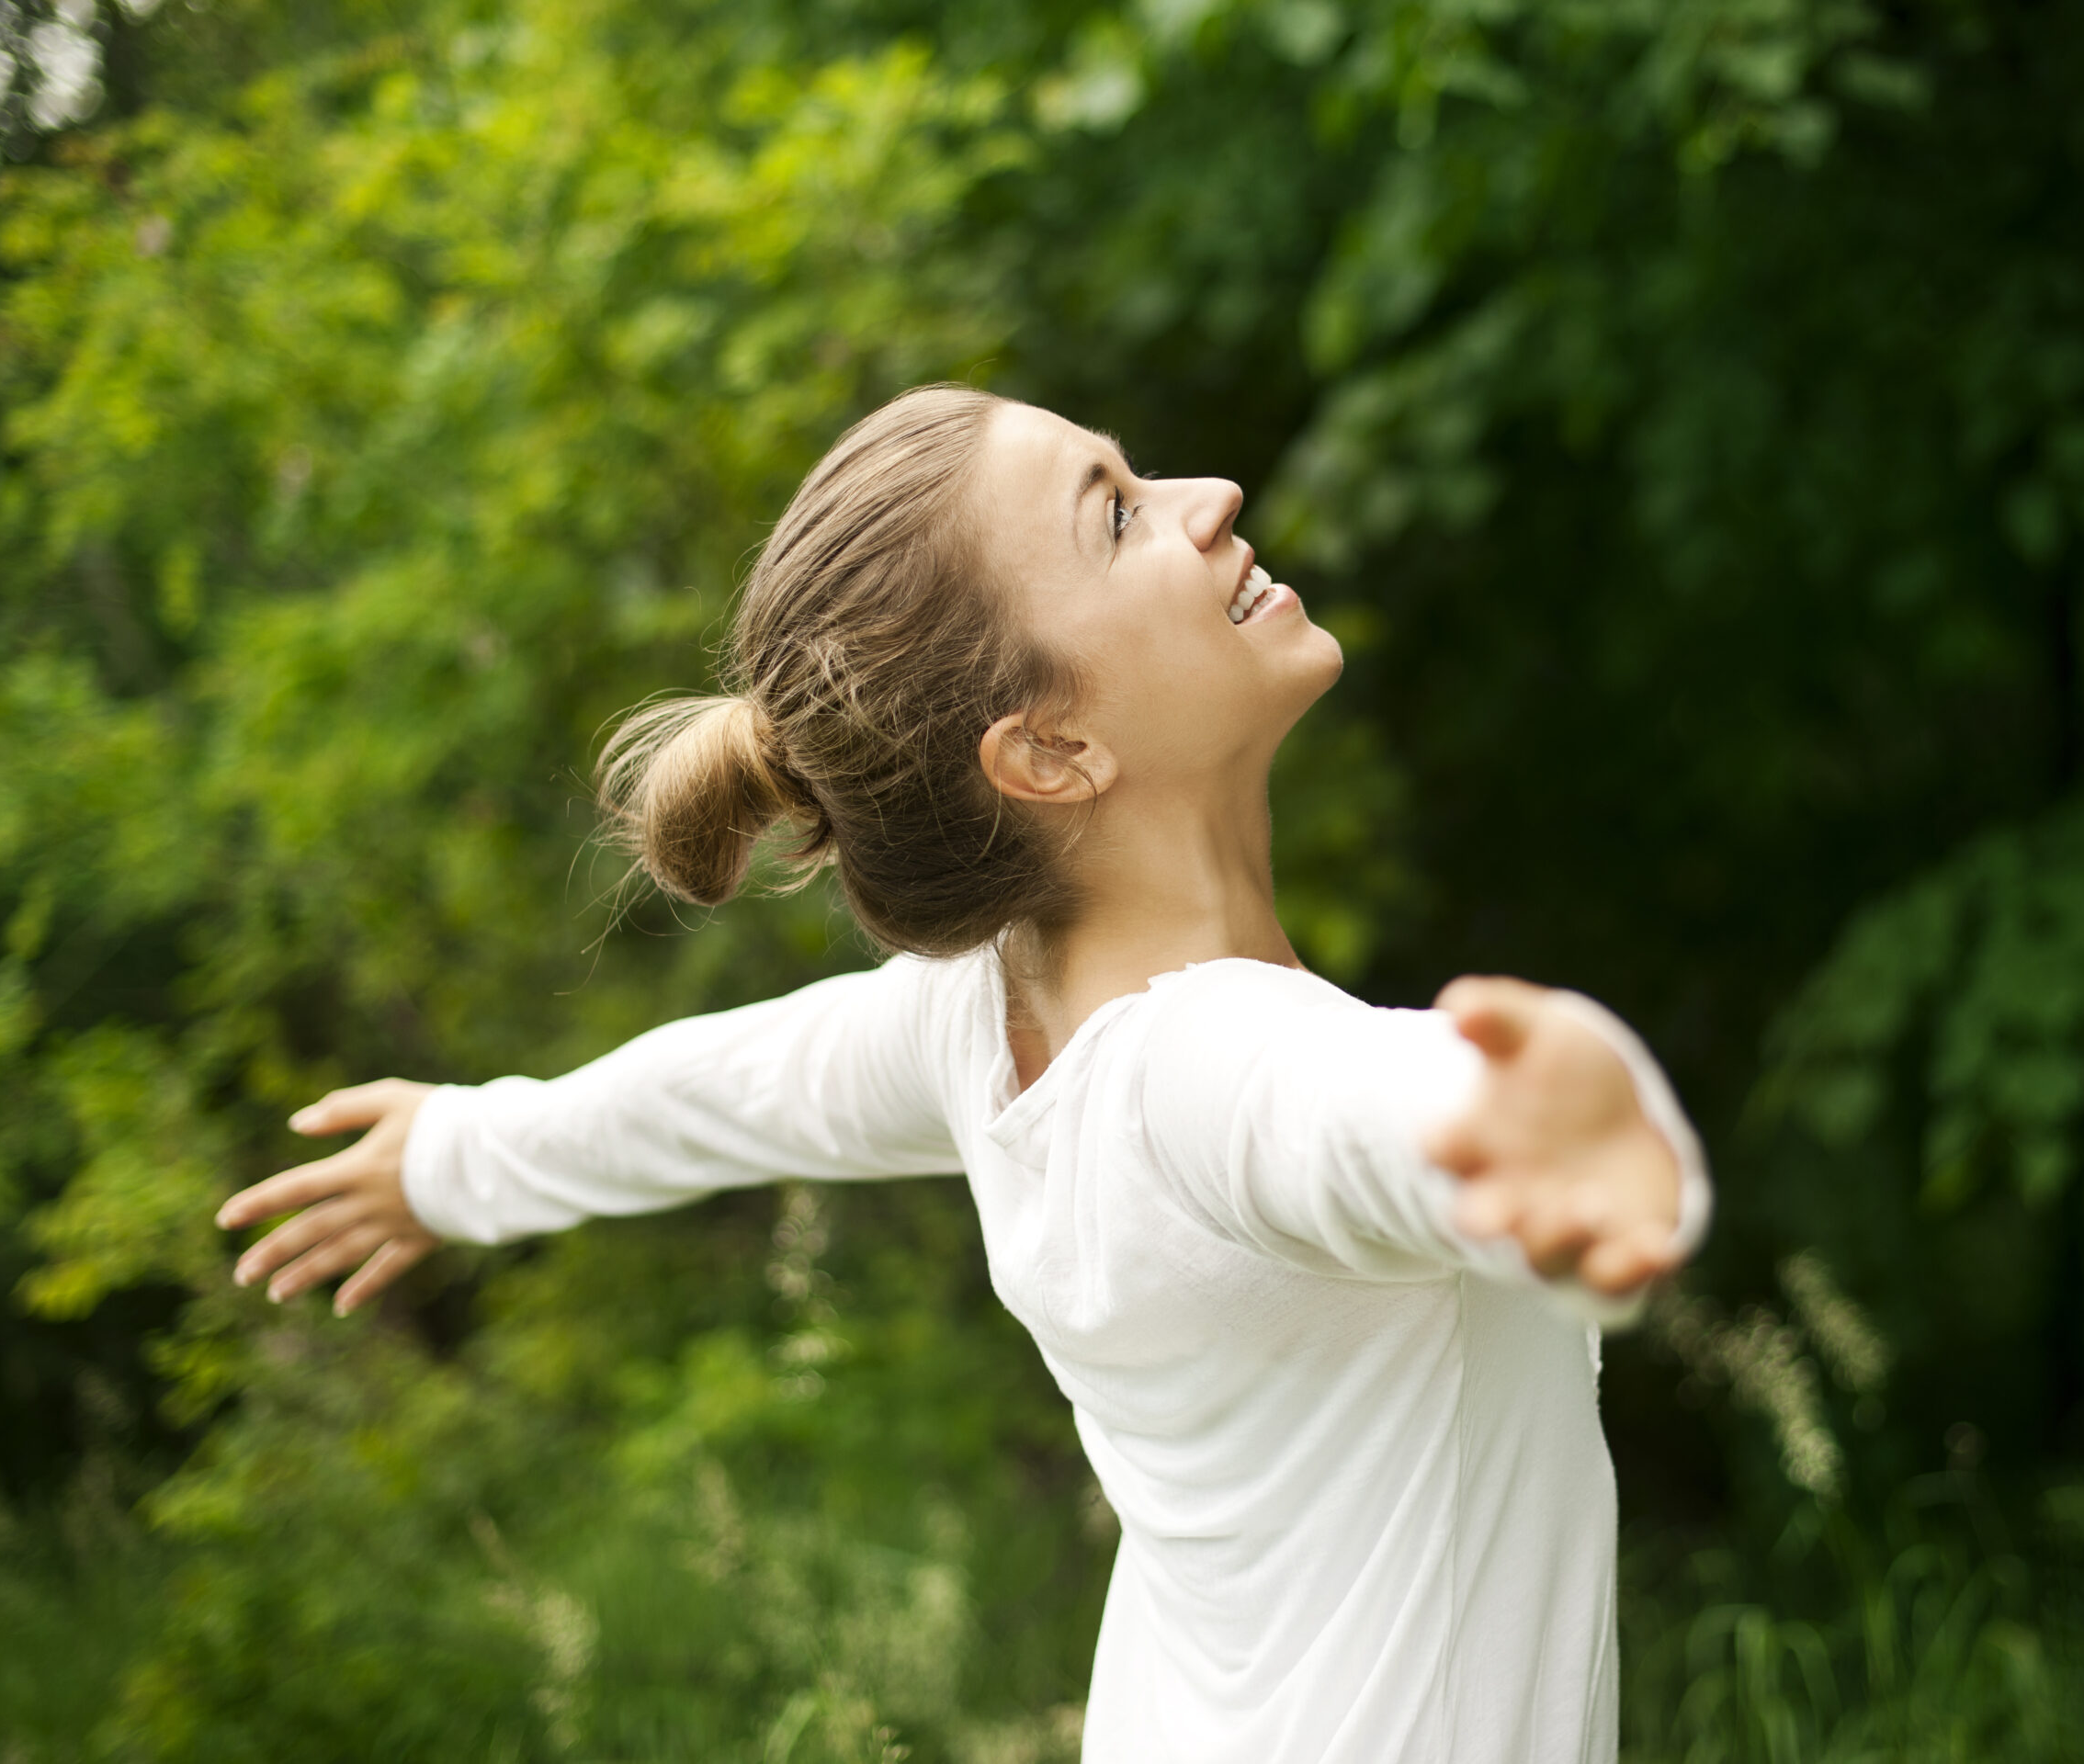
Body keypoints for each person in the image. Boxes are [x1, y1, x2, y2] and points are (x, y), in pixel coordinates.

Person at [213, 384, 1712, 1762]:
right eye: (1119, 512)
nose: (1212, 497)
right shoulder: (1206, 1070)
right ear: (1048, 750)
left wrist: (454, 1157)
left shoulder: (987, 1027)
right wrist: (1528, 1123)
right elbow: (1359, 1113)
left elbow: (722, 1089)